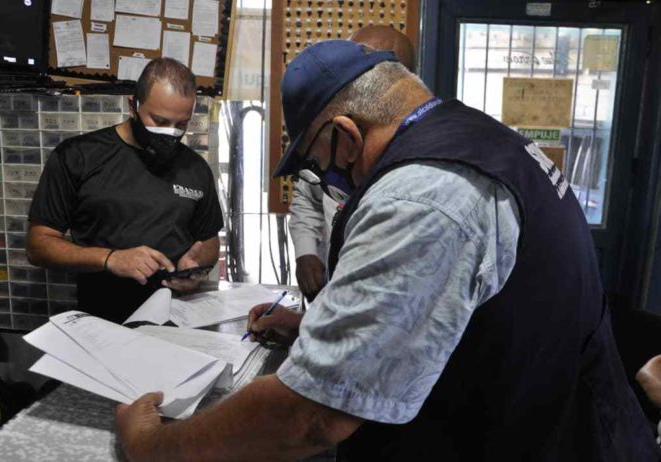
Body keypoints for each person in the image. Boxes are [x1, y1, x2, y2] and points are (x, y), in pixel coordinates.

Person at [114, 42, 659, 460]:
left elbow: (312, 418)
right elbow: (452, 317)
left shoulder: (422, 195)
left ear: (346, 136)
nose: (327, 180)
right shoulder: (479, 139)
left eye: (317, 163)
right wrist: (314, 331)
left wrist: (153, 447)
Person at [27, 58, 223, 323]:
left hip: (176, 320)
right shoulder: (78, 157)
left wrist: (198, 265)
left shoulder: (195, 168)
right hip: (103, 320)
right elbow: (39, 246)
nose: (170, 133)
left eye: (181, 125)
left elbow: (209, 240)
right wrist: (110, 259)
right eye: (160, 120)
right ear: (133, 106)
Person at [290, 25, 416, 301]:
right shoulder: (330, 128)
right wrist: (306, 253)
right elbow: (307, 194)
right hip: (332, 292)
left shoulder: (415, 161)